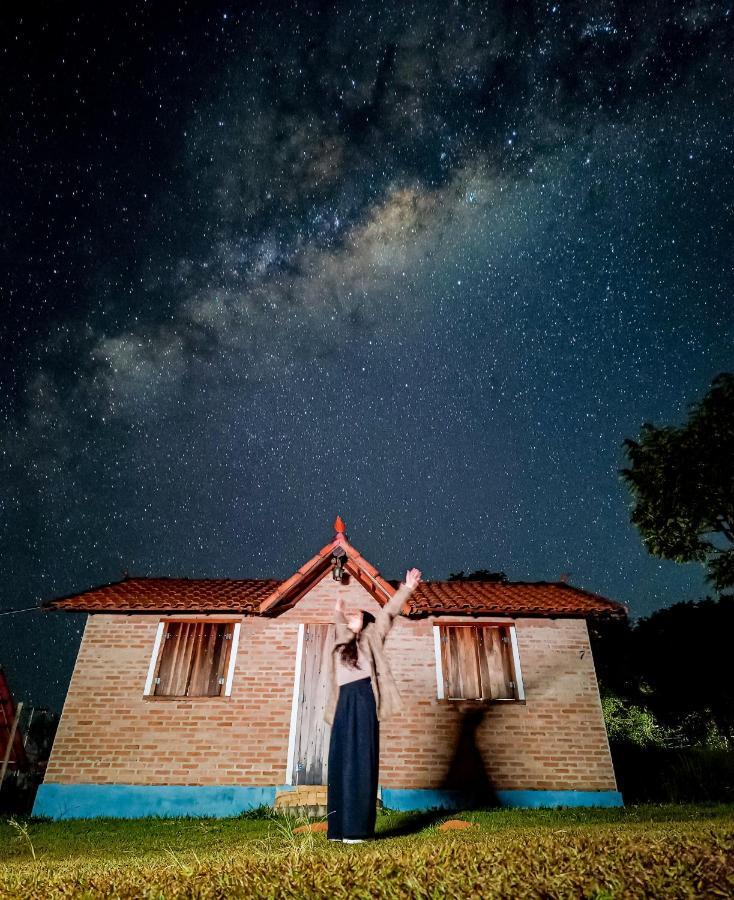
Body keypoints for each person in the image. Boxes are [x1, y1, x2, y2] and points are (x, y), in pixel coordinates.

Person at [323, 566, 422, 843]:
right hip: (343, 703)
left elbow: (389, 613)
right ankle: (338, 830)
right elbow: (337, 625)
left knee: (360, 761)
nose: (350, 617)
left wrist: (408, 588)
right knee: (340, 763)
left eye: (355, 615)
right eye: (348, 616)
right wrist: (337, 610)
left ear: (365, 622)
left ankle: (357, 830)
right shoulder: (342, 642)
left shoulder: (372, 637)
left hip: (364, 700)